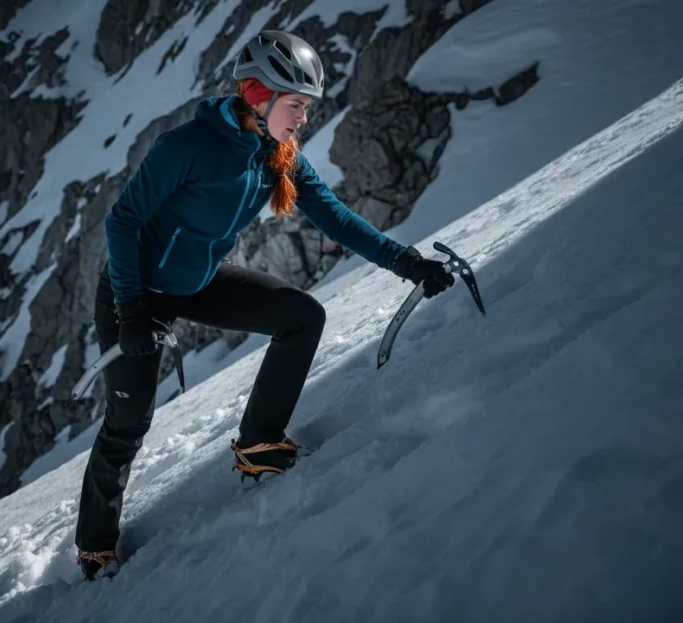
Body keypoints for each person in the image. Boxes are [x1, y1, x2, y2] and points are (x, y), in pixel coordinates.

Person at [74, 30, 455, 580]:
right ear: (259, 94)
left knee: (301, 317)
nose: (303, 118)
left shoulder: (279, 156)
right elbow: (123, 222)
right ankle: (94, 546)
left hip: (197, 281)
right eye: (296, 105)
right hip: (134, 291)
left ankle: (258, 445)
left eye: (305, 108)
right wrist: (132, 311)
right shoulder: (187, 147)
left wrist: (407, 262)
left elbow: (335, 217)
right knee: (129, 419)